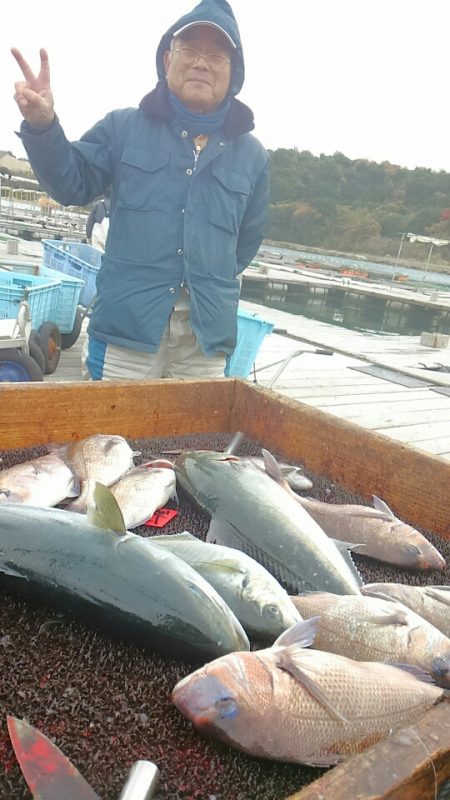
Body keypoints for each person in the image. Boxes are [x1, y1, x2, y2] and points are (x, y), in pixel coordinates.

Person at [12, 0, 269, 381]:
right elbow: (71, 182)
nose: (202, 62)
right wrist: (43, 126)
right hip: (125, 333)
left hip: (205, 341)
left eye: (216, 54)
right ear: (167, 61)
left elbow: (246, 242)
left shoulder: (253, 156)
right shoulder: (123, 128)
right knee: (110, 438)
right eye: (190, 50)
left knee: (194, 439)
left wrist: (208, 277)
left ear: (233, 73)